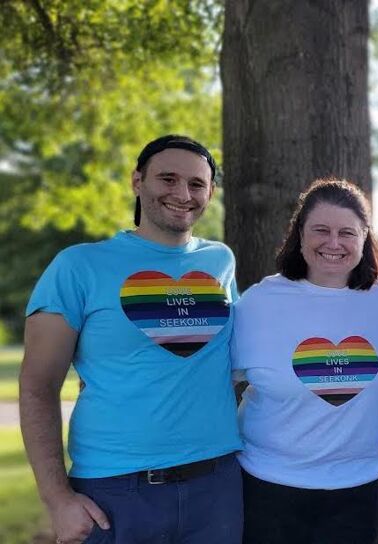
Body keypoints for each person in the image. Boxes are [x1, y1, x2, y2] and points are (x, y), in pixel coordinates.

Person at [19, 135, 243, 544]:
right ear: (137, 181)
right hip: (114, 490)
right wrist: (56, 499)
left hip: (217, 485)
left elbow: (236, 363)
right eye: (168, 179)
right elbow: (37, 386)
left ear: (211, 191)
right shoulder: (78, 266)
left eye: (196, 184)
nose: (182, 193)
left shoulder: (220, 261)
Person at [231, 179, 378, 544]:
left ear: (365, 239)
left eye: (347, 232)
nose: (333, 243)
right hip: (267, 488)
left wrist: (360, 406)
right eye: (321, 230)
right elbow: (215, 381)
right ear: (299, 235)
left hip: (358, 489)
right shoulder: (259, 303)